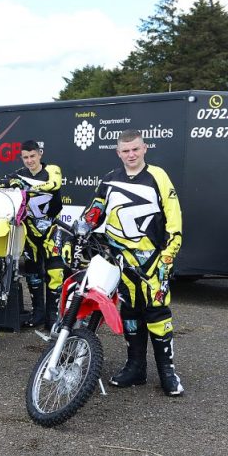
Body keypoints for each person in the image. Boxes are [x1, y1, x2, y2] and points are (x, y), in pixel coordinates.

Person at [84, 129, 184, 397]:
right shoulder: (109, 179)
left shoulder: (158, 176)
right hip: (121, 261)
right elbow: (94, 211)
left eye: (135, 149)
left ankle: (167, 373)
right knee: (130, 313)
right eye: (125, 151)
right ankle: (135, 368)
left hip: (154, 261)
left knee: (158, 314)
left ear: (144, 149)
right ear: (118, 153)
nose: (131, 155)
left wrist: (169, 254)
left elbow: (174, 218)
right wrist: (81, 228)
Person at [11, 140, 62, 329]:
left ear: (40, 154)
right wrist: (6, 183)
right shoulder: (19, 174)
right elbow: (2, 183)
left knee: (55, 272)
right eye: (26, 157)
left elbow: (54, 185)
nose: (30, 160)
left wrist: (26, 187)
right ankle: (38, 313)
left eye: (33, 156)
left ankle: (53, 318)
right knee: (33, 273)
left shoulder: (52, 169)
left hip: (50, 229)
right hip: (29, 230)